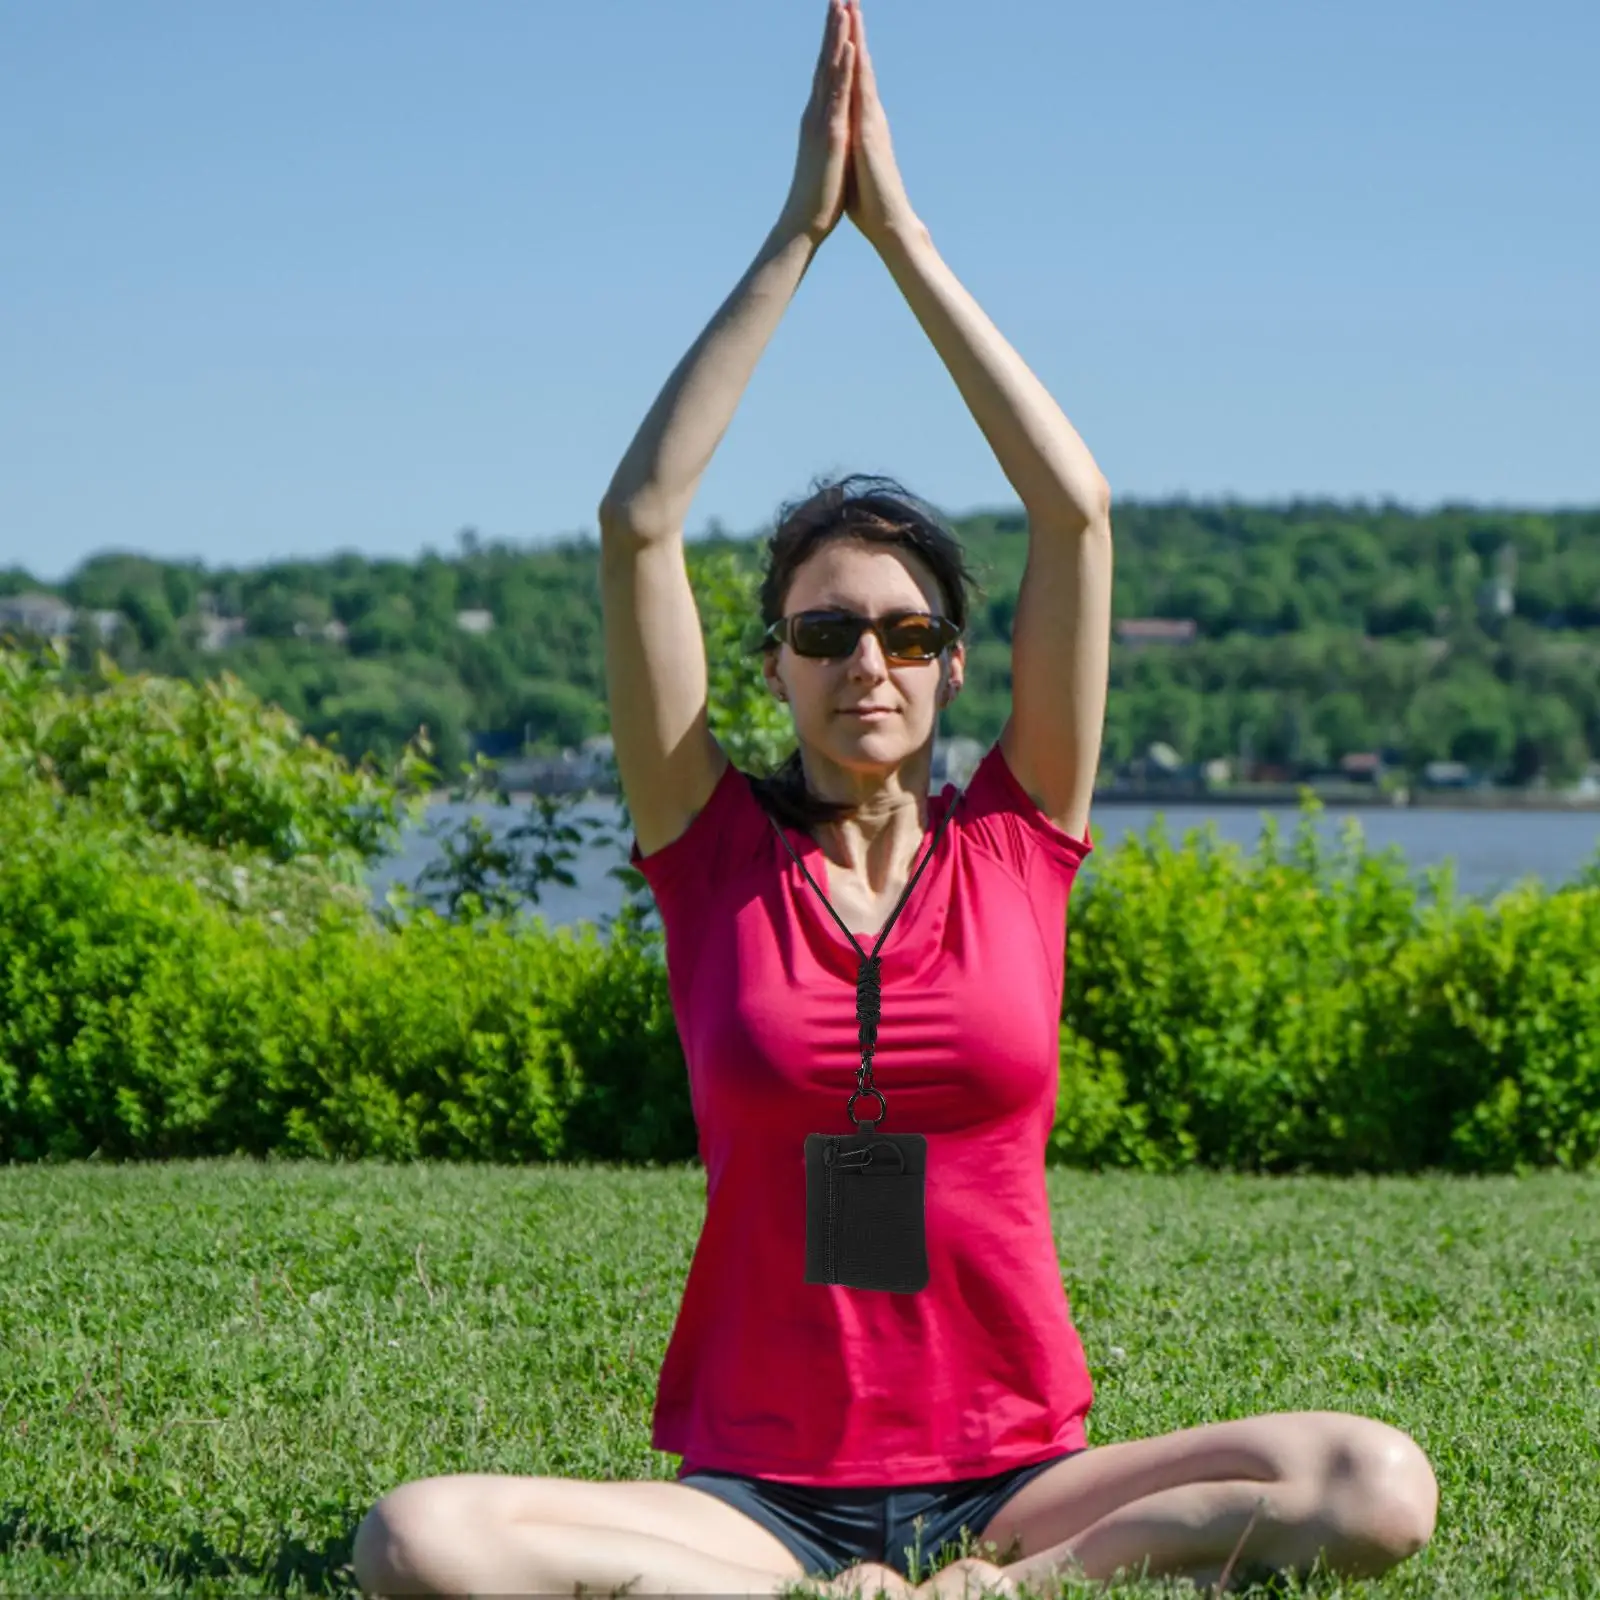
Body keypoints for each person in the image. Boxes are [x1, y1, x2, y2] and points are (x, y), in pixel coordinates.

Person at [352, 2, 1438, 1595]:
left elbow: (1075, 512)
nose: (868, 660)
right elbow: (638, 520)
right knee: (418, 1539)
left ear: (951, 665)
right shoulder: (706, 851)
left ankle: (1004, 1594)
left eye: (908, 634)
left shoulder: (1020, 837)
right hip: (759, 1494)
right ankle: (814, 1595)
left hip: (1019, 1478)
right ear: (775, 667)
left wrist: (901, 236)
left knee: (1374, 1483)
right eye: (824, 633)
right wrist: (798, 233)